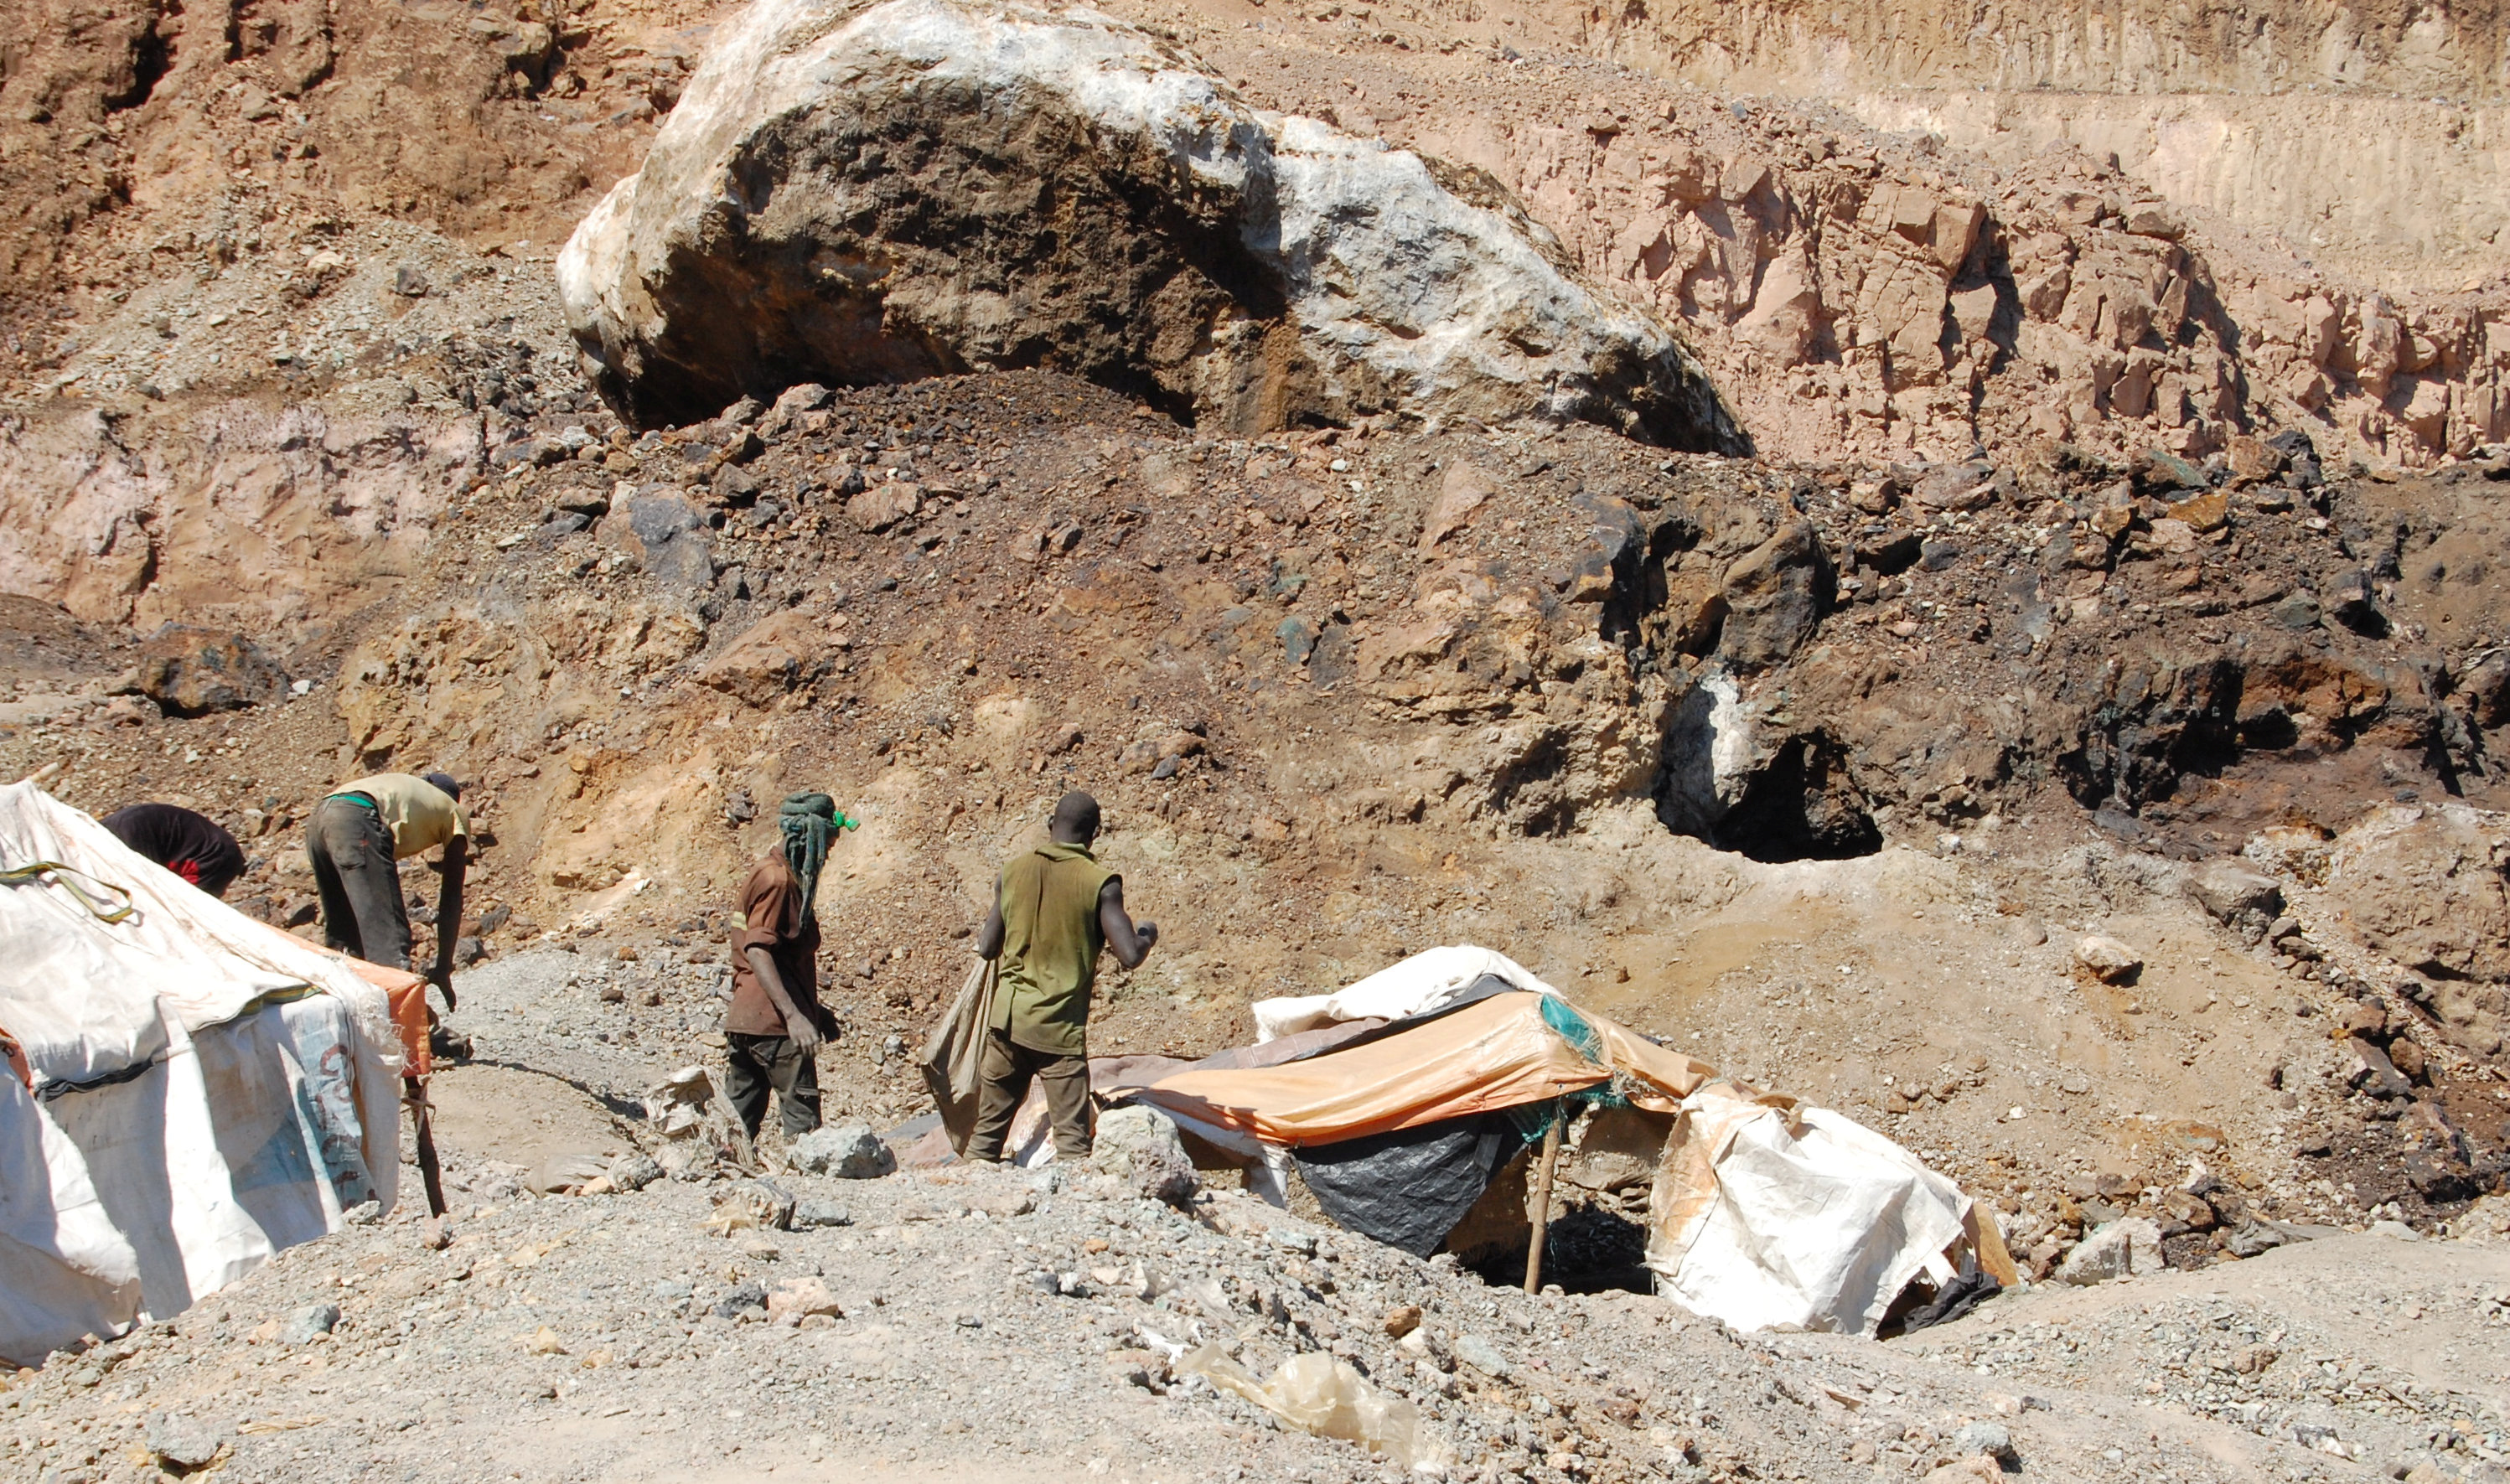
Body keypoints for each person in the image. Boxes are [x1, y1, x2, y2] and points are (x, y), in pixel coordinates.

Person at [967, 791, 1157, 1162]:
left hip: (1007, 1022)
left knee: (985, 1139)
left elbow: (987, 947)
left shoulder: (1012, 871)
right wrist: (1147, 933)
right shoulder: (1100, 883)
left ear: (1051, 825)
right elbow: (1130, 955)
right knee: (1072, 1146)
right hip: (1058, 1032)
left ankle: (963, 1209)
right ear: (1095, 833)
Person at [726, 792, 853, 1145]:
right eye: (824, 846)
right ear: (807, 838)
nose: (825, 856)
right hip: (776, 1029)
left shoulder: (771, 872)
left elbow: (781, 956)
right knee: (805, 1134)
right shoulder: (779, 881)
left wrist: (813, 1009)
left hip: (747, 1018)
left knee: (735, 1126)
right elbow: (759, 950)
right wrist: (794, 1016)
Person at [307, 771, 469, 1006]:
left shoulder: (401, 791)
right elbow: (452, 894)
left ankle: (345, 1020)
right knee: (388, 942)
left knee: (344, 940)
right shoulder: (452, 809)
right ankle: (408, 1031)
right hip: (358, 817)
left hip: (320, 818)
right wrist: (444, 967)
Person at [101, 802, 246, 898]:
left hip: (212, 856)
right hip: (202, 850)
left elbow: (150, 884)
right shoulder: (110, 832)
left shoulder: (125, 839)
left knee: (189, 914)